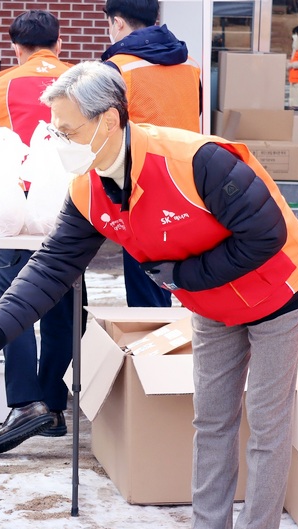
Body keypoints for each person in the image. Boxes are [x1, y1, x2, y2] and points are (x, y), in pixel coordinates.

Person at [0, 61, 298, 529]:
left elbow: (266, 236)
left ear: (112, 119)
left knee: (267, 420)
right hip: (211, 301)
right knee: (211, 417)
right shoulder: (88, 188)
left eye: (70, 130)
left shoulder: (198, 160)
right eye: (56, 131)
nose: (60, 141)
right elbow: (53, 265)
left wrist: (183, 273)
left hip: (276, 287)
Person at [0, 9, 79, 456]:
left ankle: (24, 402)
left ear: (16, 48)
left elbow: (2, 147)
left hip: (22, 208)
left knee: (15, 298)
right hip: (74, 208)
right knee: (65, 298)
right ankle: (55, 406)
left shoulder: (3, 84)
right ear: (58, 44)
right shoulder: (81, 79)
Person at [102, 0, 202, 309]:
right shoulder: (191, 64)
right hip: (191, 184)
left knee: (148, 298)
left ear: (118, 22)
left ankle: (152, 356)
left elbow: (105, 135)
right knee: (185, 290)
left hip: (142, 193)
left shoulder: (116, 69)